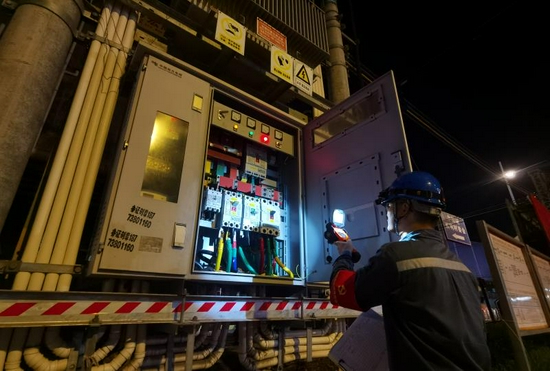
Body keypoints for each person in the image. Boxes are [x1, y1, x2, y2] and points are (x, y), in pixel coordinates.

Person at [329, 171, 491, 370]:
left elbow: (343, 293)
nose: (387, 212)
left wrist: (345, 253)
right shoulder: (463, 269)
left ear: (404, 208)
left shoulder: (397, 255)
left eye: (390, 205)